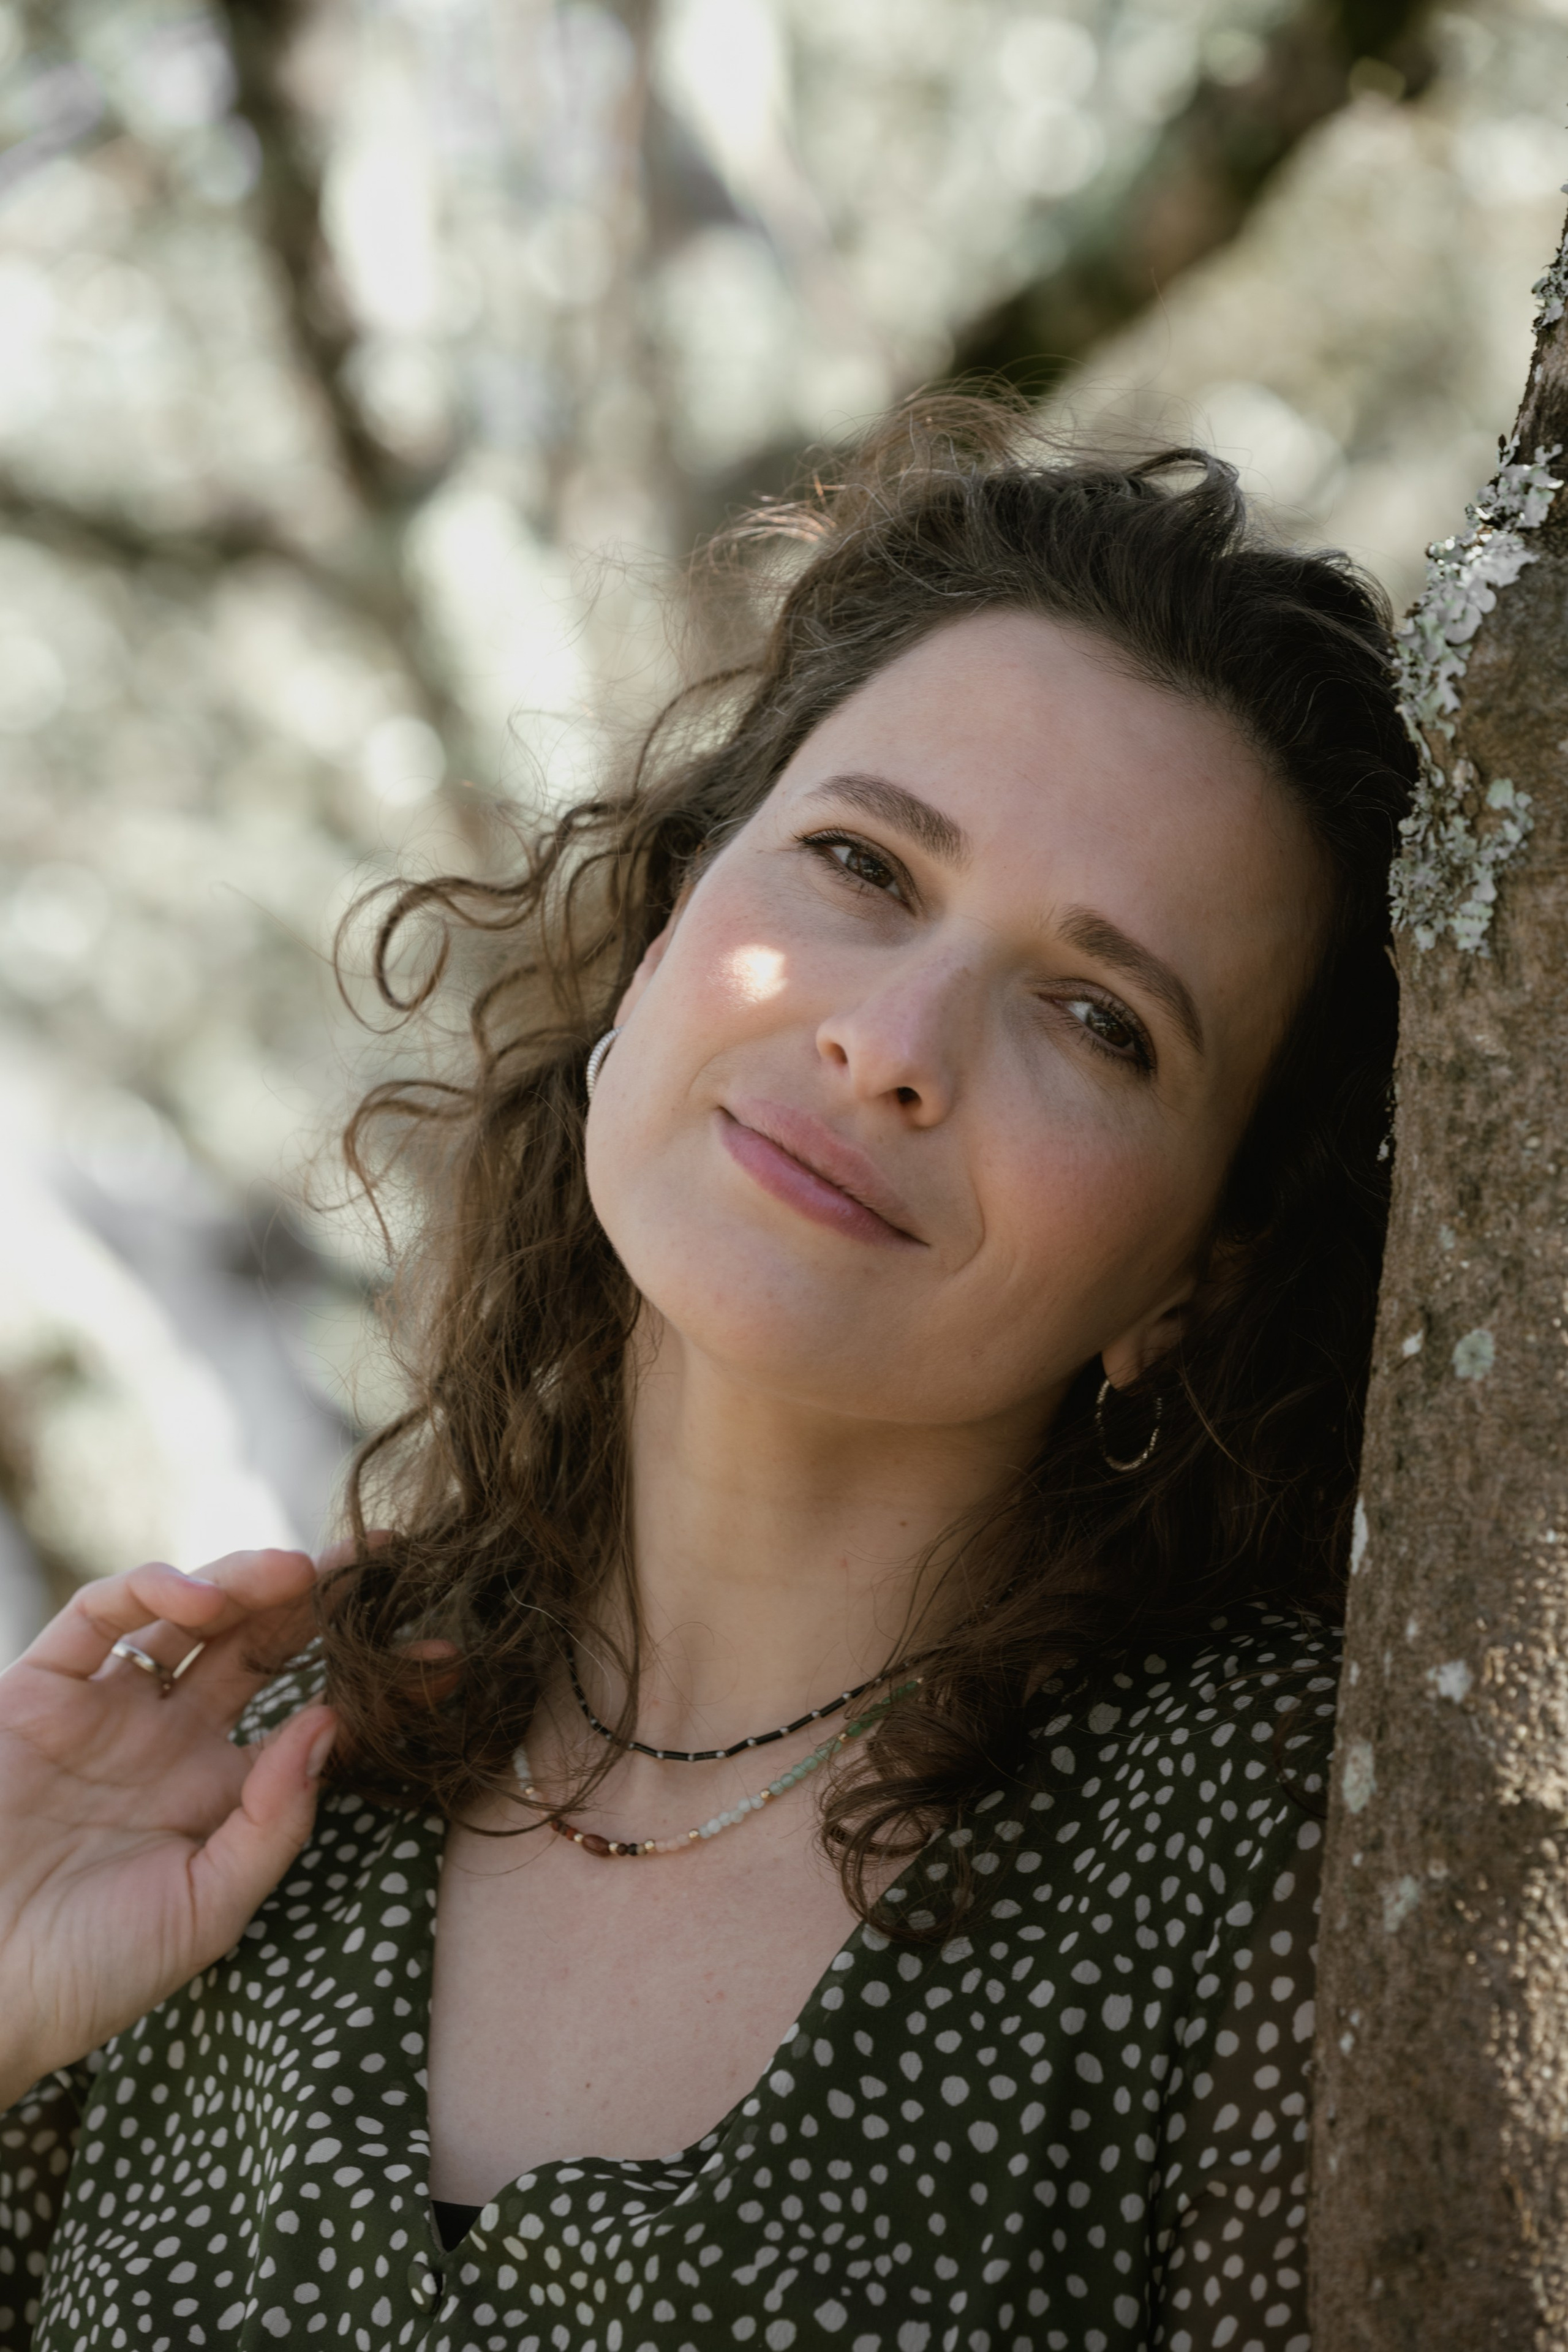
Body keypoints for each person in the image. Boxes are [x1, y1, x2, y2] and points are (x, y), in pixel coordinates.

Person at [0, 401, 1411, 2352]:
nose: (893, 1043)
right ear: (666, 927)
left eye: (1100, 1019)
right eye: (862, 865)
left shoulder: (1279, 1851)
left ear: (1201, 1267)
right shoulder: (255, 1774)